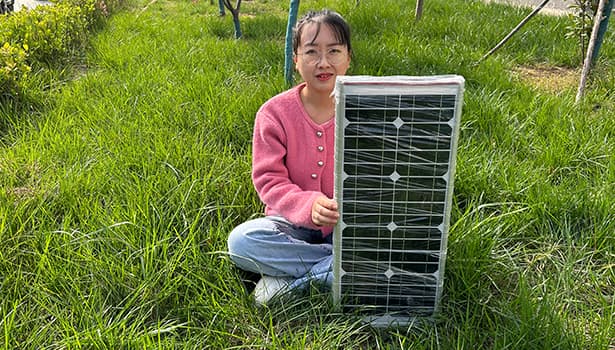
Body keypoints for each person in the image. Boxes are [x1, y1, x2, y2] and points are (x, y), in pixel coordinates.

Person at [227, 9, 352, 305]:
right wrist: (309, 205)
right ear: (295, 60)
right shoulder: (274, 113)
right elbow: (269, 180)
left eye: (334, 51)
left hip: (348, 228)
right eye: (311, 52)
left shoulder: (365, 111)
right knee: (241, 242)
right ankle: (343, 268)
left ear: (348, 58)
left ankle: (289, 285)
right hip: (290, 226)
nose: (323, 62)